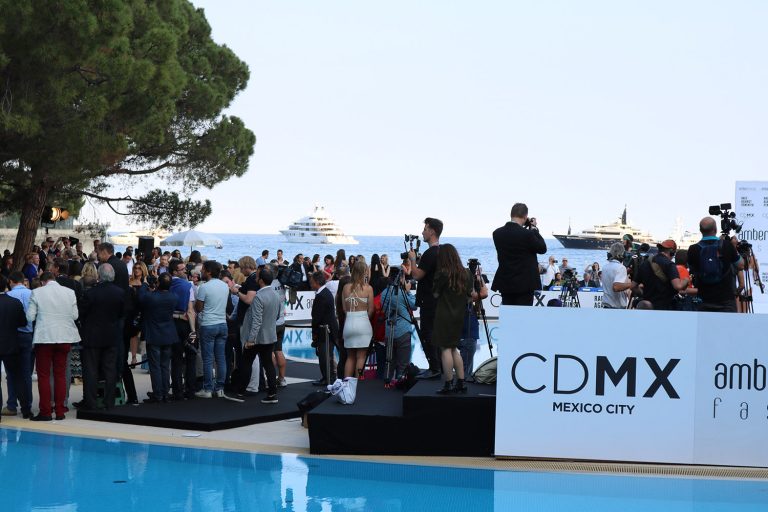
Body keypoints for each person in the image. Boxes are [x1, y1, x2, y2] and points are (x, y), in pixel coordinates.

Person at [27, 272, 80, 421]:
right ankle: (60, 411)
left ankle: (45, 411)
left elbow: (30, 316)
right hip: (64, 337)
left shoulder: (37, 292)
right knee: (60, 374)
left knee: (44, 375)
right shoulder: (69, 292)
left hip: (45, 338)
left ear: (42, 282)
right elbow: (75, 316)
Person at [78, 264, 126, 410]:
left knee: (91, 370)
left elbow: (82, 313)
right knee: (110, 369)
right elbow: (122, 313)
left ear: (98, 275)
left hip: (92, 335)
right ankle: (109, 401)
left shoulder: (91, 293)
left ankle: (91, 401)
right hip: (111, 334)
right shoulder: (120, 293)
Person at [432, 244, 473, 394]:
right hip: (459, 315)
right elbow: (469, 295)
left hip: (444, 315)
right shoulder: (467, 273)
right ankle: (461, 382)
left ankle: (448, 383)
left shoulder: (443, 273)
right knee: (454, 348)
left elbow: (435, 293)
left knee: (445, 349)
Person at [407, 217, 444, 378]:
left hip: (429, 300)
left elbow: (416, 275)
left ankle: (434, 368)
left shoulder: (430, 253)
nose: (423, 232)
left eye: (425, 229)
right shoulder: (441, 252)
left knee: (427, 334)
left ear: (432, 231)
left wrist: (412, 260)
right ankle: (440, 367)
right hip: (439, 299)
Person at [491, 203, 547, 305]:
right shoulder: (528, 234)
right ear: (525, 217)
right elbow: (542, 248)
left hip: (506, 283)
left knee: (508, 312)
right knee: (523, 314)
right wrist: (534, 228)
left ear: (511, 214)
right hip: (525, 285)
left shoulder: (497, 233)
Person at [239, 268, 281, 404]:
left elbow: (256, 320)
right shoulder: (276, 295)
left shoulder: (258, 297)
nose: (256, 279)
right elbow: (277, 315)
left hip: (257, 338)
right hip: (270, 335)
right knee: (268, 364)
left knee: (246, 363)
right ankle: (272, 393)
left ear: (261, 281)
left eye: (257, 277)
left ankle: (240, 392)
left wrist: (251, 339)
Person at [687, 217, 742, 313]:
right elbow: (741, 265)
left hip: (703, 300)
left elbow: (691, 269)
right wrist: (734, 247)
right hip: (726, 300)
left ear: (700, 230)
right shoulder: (727, 245)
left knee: (704, 323)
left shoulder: (693, 249)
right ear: (715, 229)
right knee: (728, 323)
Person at [138, 273, 177, 403]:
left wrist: (144, 283)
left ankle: (158, 394)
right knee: (165, 365)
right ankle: (165, 392)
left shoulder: (151, 297)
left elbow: (141, 297)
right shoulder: (173, 297)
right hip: (168, 334)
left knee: (155, 366)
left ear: (158, 283)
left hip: (154, 334)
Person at [195, 260, 230, 398]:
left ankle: (208, 389)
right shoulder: (225, 286)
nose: (201, 271)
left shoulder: (204, 287)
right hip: (222, 324)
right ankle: (220, 388)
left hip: (208, 324)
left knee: (208, 359)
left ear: (209, 272)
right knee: (221, 358)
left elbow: (199, 308)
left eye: (203, 269)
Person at [2, 272, 34, 418]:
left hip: (10, 337)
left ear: (11, 282)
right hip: (25, 337)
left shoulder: (10, 296)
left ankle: (11, 405)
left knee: (11, 375)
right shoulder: (31, 294)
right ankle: (27, 406)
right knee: (25, 373)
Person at [631, 239, 689, 311]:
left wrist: (643, 294)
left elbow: (633, 286)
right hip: (664, 308)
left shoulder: (645, 263)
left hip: (647, 307)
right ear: (672, 252)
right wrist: (686, 280)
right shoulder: (669, 265)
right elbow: (678, 286)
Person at [379, 271, 416, 381]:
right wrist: (408, 292)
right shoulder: (401, 293)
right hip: (403, 331)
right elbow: (414, 305)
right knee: (403, 364)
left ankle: (387, 382)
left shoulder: (384, 293)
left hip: (389, 331)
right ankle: (400, 382)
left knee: (389, 361)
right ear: (400, 279)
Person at [341, 261, 375, 379]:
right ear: (365, 272)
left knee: (350, 357)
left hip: (349, 322)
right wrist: (363, 317)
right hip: (363, 322)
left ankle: (347, 384)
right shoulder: (368, 288)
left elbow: (344, 309)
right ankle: (358, 383)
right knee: (361, 357)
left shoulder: (345, 287)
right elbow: (371, 310)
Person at [169, 259, 197, 399]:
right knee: (190, 357)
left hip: (171, 323)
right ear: (175, 271)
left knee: (176, 358)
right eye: (182, 269)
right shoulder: (187, 286)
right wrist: (193, 330)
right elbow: (190, 310)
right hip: (185, 322)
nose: (185, 271)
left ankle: (177, 391)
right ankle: (190, 389)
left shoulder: (166, 283)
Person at [310, 271, 340, 386]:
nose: (311, 284)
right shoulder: (325, 292)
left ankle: (328, 378)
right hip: (329, 328)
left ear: (317, 282)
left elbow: (317, 317)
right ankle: (329, 377)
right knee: (327, 355)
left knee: (324, 355)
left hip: (325, 330)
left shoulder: (321, 296)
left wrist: (314, 332)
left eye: (312, 282)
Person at [459, 271, 489, 379]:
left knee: (462, 367)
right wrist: (480, 279)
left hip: (460, 333)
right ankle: (462, 382)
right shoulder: (466, 296)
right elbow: (484, 293)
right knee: (466, 370)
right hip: (468, 335)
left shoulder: (455, 294)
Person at [268, 262, 288, 387]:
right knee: (279, 350)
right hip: (281, 321)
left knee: (269, 352)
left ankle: (270, 378)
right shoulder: (282, 283)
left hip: (271, 323)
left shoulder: (268, 285)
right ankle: (281, 378)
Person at [602, 243, 634, 309]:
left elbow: (613, 276)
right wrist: (633, 284)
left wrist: (626, 272)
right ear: (623, 254)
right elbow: (616, 287)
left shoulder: (605, 267)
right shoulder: (621, 268)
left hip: (606, 307)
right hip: (617, 309)